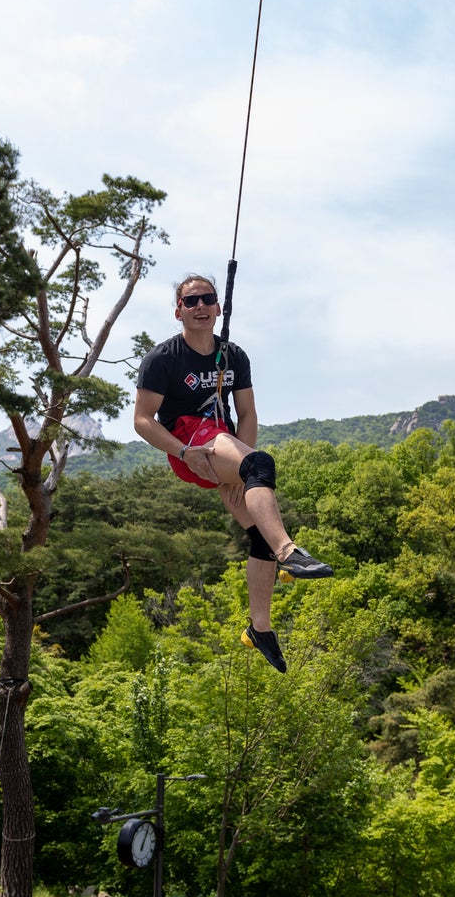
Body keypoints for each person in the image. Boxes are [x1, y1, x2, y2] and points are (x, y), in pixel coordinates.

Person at [134, 273, 333, 673]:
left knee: (259, 524)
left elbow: (247, 413)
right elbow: (142, 421)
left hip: (221, 439)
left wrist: (242, 468)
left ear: (219, 307)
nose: (201, 306)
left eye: (208, 298)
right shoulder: (163, 359)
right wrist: (185, 452)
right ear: (178, 312)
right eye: (191, 302)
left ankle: (260, 628)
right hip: (189, 441)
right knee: (261, 468)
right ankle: (289, 553)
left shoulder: (233, 355)